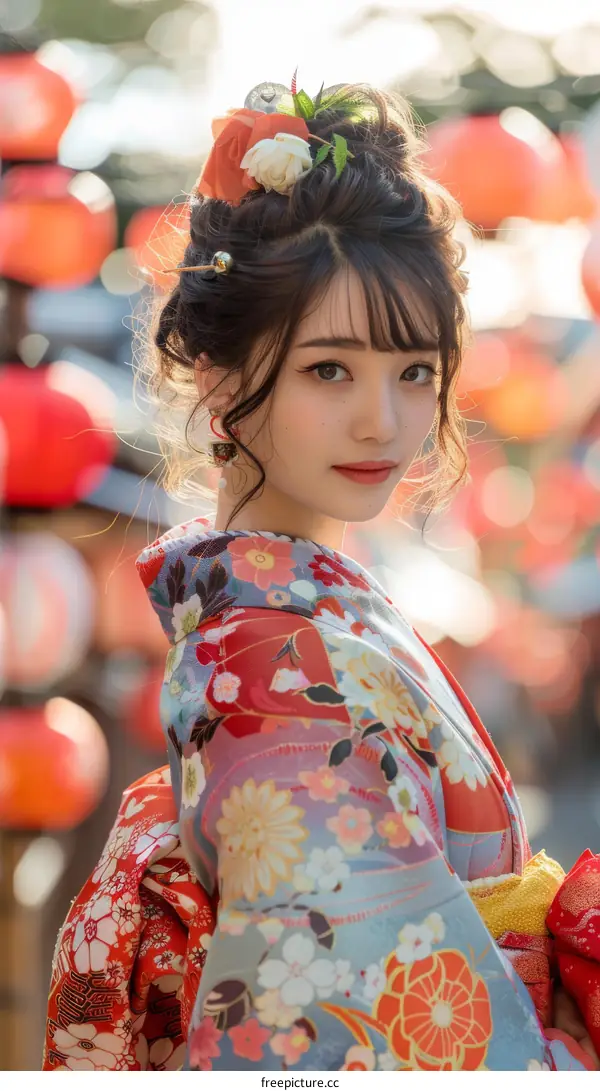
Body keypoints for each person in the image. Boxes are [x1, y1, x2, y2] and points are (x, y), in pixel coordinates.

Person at [44, 80, 599, 1072]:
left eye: (416, 371)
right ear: (218, 375)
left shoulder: (309, 614)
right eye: (330, 369)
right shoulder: (272, 662)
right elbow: (359, 1033)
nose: (384, 420)